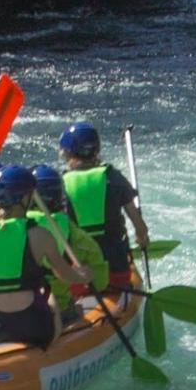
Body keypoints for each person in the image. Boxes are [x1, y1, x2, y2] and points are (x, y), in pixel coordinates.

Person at [0, 165, 99, 350]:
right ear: (27, 197)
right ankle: (50, 353)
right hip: (34, 327)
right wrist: (85, 276)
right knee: (51, 298)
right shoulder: (40, 235)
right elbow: (64, 275)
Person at [47, 121, 152, 293]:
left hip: (79, 271)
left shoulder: (61, 185)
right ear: (97, 150)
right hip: (116, 268)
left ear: (67, 154)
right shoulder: (112, 176)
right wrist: (142, 240)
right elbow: (139, 225)